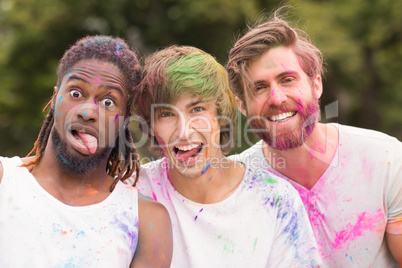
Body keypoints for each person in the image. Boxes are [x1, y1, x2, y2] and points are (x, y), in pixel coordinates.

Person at [226, 9, 402, 267]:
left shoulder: (385, 159)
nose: (276, 98)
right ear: (242, 106)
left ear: (316, 84)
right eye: (260, 87)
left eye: (287, 79)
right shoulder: (235, 186)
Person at [132, 45, 322, 267]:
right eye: (166, 114)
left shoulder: (275, 200)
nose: (183, 132)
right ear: (151, 126)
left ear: (220, 115)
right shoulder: (133, 193)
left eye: (197, 109)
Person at [0, 36, 172, 267]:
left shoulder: (146, 220)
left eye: (109, 102)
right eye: (76, 93)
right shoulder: (5, 180)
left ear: (125, 120)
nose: (87, 112)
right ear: (54, 99)